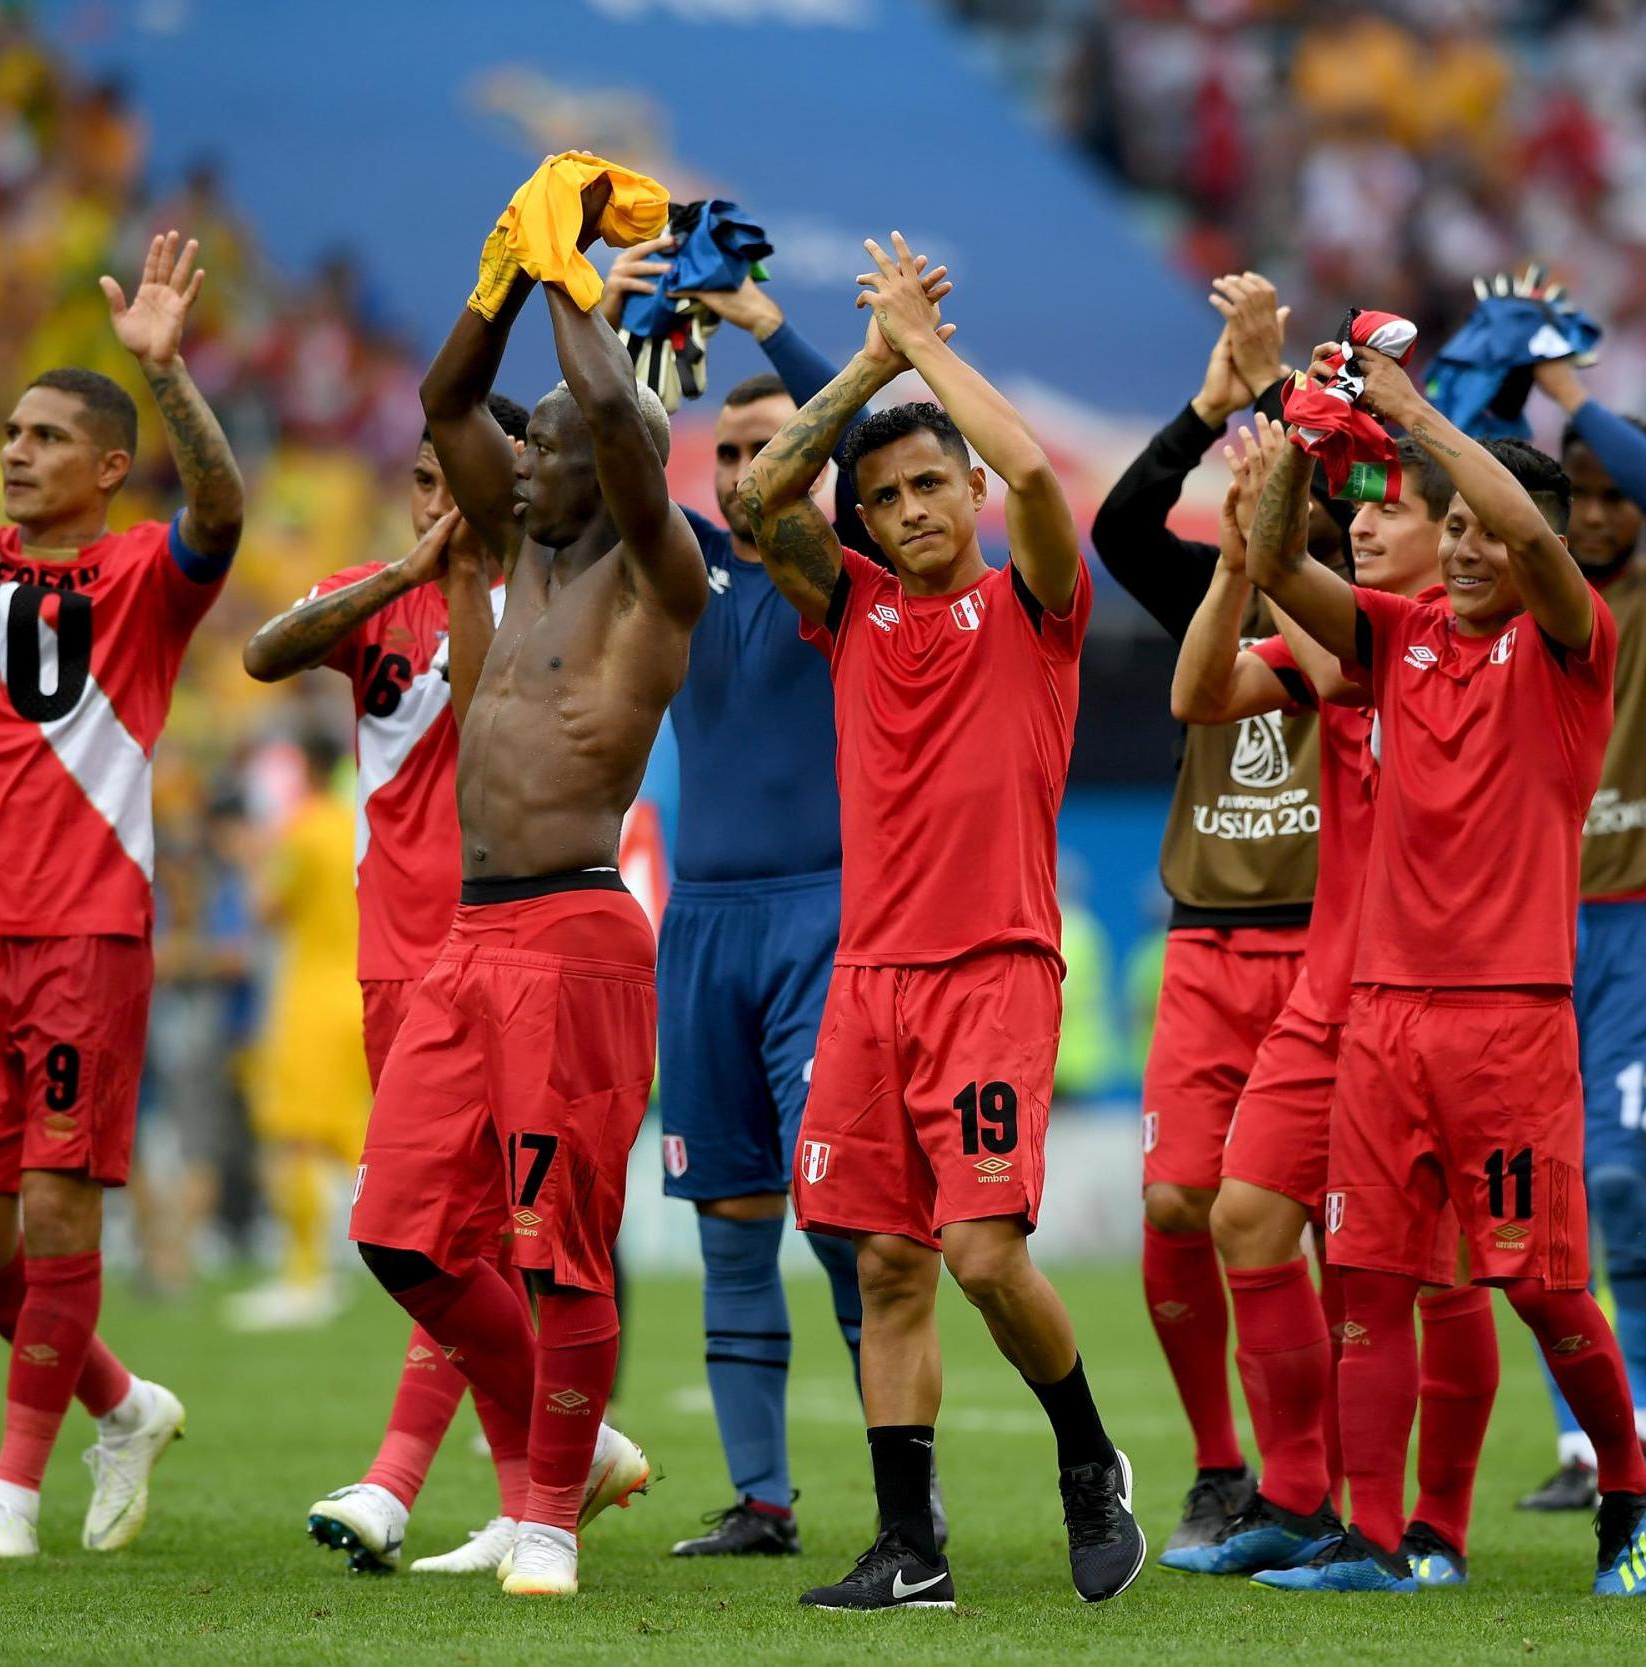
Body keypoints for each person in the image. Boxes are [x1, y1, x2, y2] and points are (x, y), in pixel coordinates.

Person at [739, 233, 1143, 1611]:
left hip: (992, 971)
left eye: (929, 485)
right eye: (889, 494)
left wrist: (924, 350)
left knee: (980, 1251)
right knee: (887, 1260)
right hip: (867, 978)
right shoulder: (844, 605)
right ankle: (909, 1542)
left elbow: (1036, 470)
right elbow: (764, 497)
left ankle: (1090, 1457)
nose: (912, 508)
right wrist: (868, 356)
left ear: (962, 491)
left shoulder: (1030, 604)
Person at [1247, 343, 1646, 1598]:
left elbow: (1541, 556)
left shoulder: (1568, 648)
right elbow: (1275, 568)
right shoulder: (1396, 633)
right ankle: (1380, 1539)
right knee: (1369, 1273)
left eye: (1495, 530)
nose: (1475, 550)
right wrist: (1299, 449)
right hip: (1382, 1017)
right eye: (1462, 532)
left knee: (1537, 1286)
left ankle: (1628, 1489)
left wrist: (1414, 414)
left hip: (1509, 1025)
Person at [346, 172, 706, 1598]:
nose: (520, 454)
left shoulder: (655, 574)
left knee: (562, 1251)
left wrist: (574, 288)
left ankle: (545, 1508)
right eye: (530, 444)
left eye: (543, 442)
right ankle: (576, 1431)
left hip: (571, 934)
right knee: (401, 1236)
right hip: (464, 939)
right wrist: (501, 275)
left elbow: (617, 414)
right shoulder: (503, 558)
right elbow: (445, 403)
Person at [0, 230, 241, 1560]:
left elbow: (224, 515)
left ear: (107, 466)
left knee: (60, 1204)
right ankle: (122, 1403)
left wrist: (168, 372)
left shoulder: (143, 575)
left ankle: (11, 1491)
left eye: (43, 436)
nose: (14, 450)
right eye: (8, 431)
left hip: (87, 933)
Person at [244, 397, 652, 1576]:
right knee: (426, 1236)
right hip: (401, 961)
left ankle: (432, 1484)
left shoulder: (544, 616)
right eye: (421, 481)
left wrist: (465, 576)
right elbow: (263, 653)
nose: (437, 499)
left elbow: (499, 725)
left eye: (453, 482)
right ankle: (538, 1475)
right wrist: (403, 576)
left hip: (518, 942)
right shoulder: (375, 595)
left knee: (513, 1239)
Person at [598, 242, 905, 1559]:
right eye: (723, 456)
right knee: (731, 1221)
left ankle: (906, 1497)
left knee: (838, 1214)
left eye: (767, 449)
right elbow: (604, 458)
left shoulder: (835, 578)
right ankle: (763, 1499)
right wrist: (612, 322)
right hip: (703, 933)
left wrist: (771, 326)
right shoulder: (682, 576)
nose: (738, 474)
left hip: (824, 921)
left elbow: (874, 414)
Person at [1162, 417, 1498, 1588]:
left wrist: (1325, 443)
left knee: (1425, 1269)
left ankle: (1434, 1528)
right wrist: (1238, 557)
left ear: (1458, 535)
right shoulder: (1326, 643)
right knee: (1243, 1218)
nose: (1359, 522)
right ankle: (1296, 1498)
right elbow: (1198, 695)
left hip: (1436, 1001)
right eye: (1350, 507)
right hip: (1327, 993)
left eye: (1387, 508)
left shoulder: (1472, 651)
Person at [1087, 274, 1323, 1550]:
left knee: (1329, 1226)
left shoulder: (1364, 607)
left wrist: (1279, 386)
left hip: (1324, 947)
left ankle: (1324, 1477)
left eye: (1272, 469)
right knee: (1178, 1204)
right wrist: (1207, 405)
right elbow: (1122, 527)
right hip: (1205, 942)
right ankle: (1223, 1464)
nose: (1252, 485)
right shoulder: (1221, 595)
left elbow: (1330, 480)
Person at [1513, 350, 1646, 1511]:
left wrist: (1570, 393)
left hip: (1639, 928)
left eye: (1610, 492)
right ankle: (1586, 1447)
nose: (1593, 514)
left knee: (1618, 1182)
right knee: (1543, 1202)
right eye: (1573, 493)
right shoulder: (1533, 603)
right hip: (1528, 936)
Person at [231, 730, 364, 1333]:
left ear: (303, 770)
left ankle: (307, 1277)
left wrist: (249, 857)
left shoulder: (302, 829)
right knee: (355, 1138)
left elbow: (266, 908)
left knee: (296, 1138)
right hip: (359, 989)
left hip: (309, 997)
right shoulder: (354, 824)